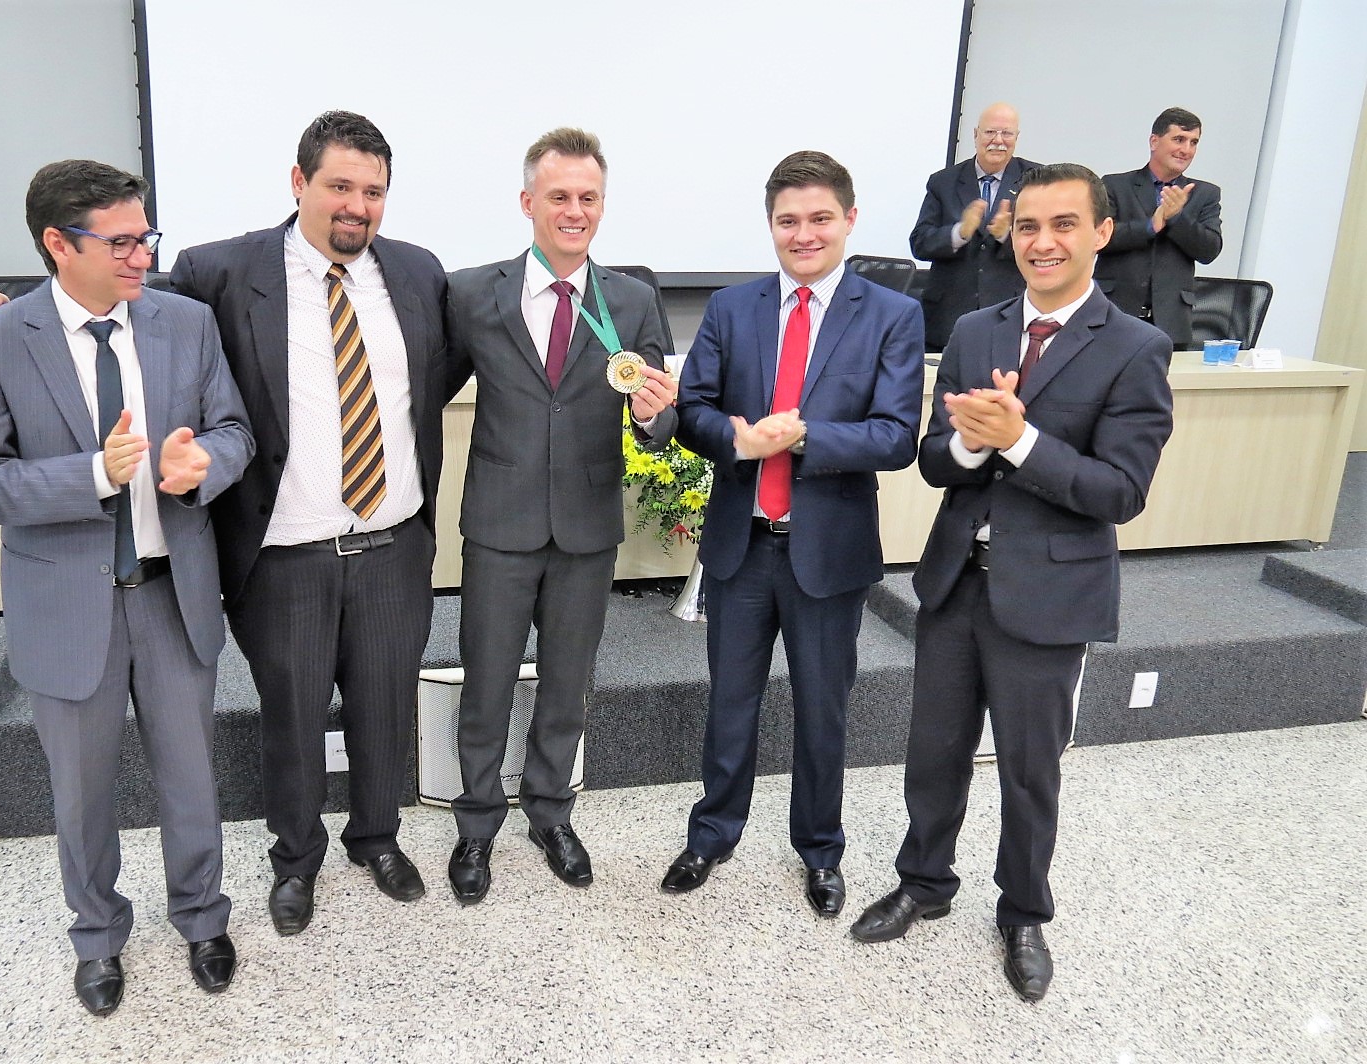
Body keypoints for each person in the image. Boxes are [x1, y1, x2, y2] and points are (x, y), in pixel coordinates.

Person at [0, 112, 450, 936]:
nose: (357, 205)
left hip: (393, 542)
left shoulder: (418, 273)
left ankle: (377, 838)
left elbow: (445, 368)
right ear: (299, 182)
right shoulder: (218, 271)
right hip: (284, 551)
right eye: (340, 185)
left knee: (385, 708)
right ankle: (296, 860)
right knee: (291, 720)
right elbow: (102, 310)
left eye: (374, 191)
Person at [848, 163, 1174, 1003]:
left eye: (1064, 224)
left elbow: (1120, 493)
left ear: (1102, 233)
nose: (1043, 241)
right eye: (1028, 225)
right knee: (934, 751)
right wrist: (969, 441)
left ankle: (1024, 912)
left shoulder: (1135, 348)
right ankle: (924, 881)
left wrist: (1020, 441)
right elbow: (934, 459)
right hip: (956, 582)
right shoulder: (974, 331)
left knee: (1030, 771)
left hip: (1050, 596)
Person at [0, 160, 255, 1016]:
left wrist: (205, 465)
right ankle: (98, 936)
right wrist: (92, 475)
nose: (141, 255)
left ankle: (202, 917)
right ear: (58, 243)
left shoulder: (185, 323)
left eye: (144, 236)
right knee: (80, 792)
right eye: (119, 242)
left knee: (191, 778)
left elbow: (234, 429)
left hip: (171, 593)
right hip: (64, 604)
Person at [660, 151, 924, 918]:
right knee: (730, 703)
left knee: (822, 710)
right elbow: (693, 412)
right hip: (741, 547)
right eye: (787, 221)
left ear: (849, 219)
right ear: (770, 225)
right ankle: (712, 834)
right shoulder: (731, 308)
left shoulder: (892, 315)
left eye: (818, 219)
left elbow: (896, 436)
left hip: (827, 551)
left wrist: (804, 436)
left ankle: (820, 851)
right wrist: (737, 440)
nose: (803, 234)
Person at [442, 128, 677, 904]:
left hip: (585, 527)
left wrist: (654, 415)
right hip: (498, 525)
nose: (574, 211)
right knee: (486, 683)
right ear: (528, 202)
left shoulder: (632, 300)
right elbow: (427, 389)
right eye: (559, 197)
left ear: (601, 205)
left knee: (568, 684)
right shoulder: (474, 294)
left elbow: (660, 419)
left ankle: (550, 813)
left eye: (588, 198)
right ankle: (477, 824)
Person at [910, 102, 1038, 352]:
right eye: (990, 132)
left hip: (1010, 312)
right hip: (947, 317)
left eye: (1006, 133)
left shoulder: (1035, 180)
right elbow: (920, 243)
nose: (998, 141)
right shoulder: (943, 181)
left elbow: (1044, 245)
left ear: (1017, 137)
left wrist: (1006, 236)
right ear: (975, 134)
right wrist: (959, 232)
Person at [1096, 107, 1222, 348]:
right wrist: (1150, 226)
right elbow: (1098, 238)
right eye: (1179, 139)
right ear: (1154, 141)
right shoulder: (1114, 185)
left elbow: (1209, 250)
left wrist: (1176, 218)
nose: (1186, 150)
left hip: (1170, 322)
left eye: (1194, 142)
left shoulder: (1205, 194)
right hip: (1113, 313)